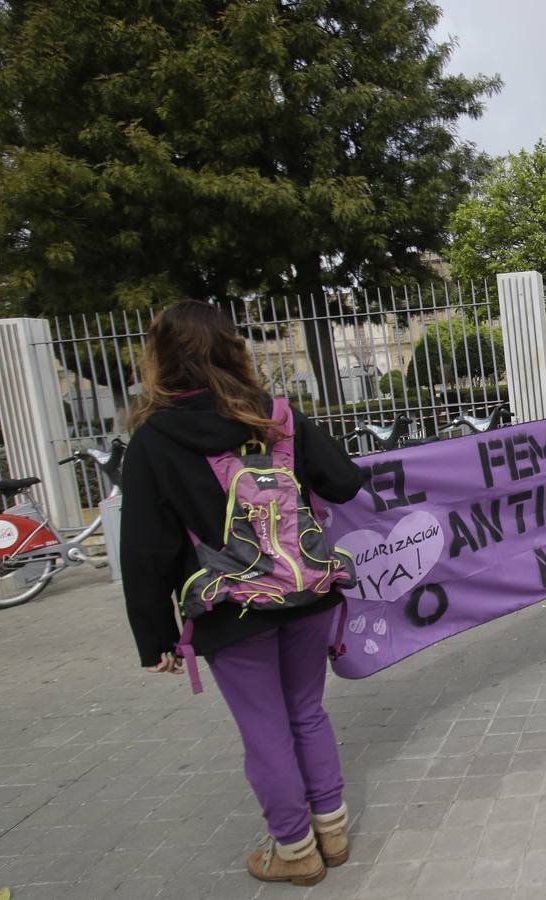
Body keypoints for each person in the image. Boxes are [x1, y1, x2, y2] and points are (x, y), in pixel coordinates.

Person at [121, 301, 366, 886]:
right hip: (308, 591)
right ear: (233, 348)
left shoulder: (154, 440)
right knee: (306, 711)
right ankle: (332, 832)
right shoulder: (278, 415)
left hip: (231, 608)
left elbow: (145, 550)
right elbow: (346, 481)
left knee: (265, 727)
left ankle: (295, 850)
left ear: (160, 359)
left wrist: (154, 637)